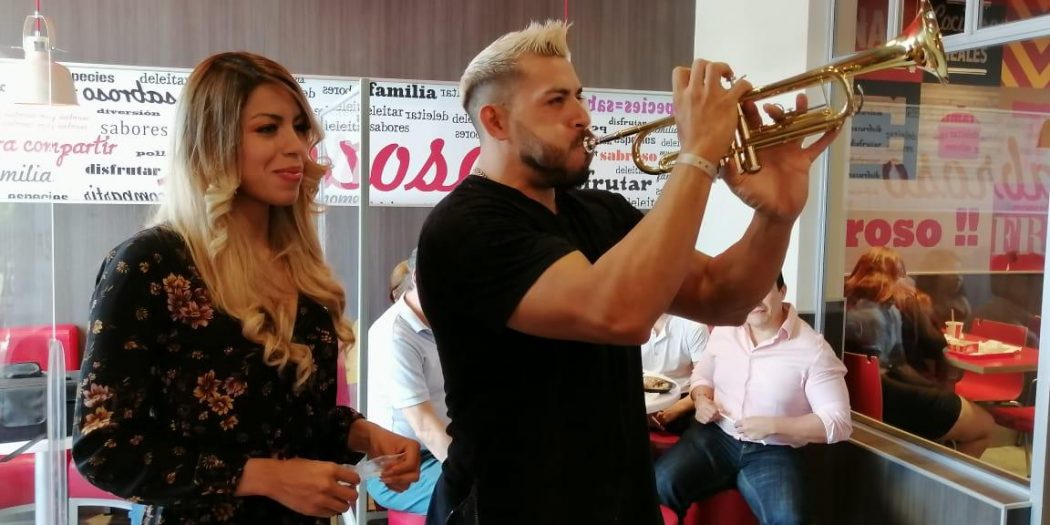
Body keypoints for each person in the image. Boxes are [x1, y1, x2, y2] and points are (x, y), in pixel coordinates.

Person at [416, 20, 839, 524]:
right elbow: (619, 314)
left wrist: (777, 216)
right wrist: (697, 156)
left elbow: (722, 298)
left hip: (620, 503)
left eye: (578, 95)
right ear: (496, 121)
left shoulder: (601, 212)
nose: (581, 115)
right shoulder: (464, 228)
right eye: (556, 101)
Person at [72, 51, 420, 524]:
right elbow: (103, 447)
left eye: (300, 127)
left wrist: (362, 434)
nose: (296, 146)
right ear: (211, 142)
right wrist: (264, 477)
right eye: (267, 128)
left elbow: (289, 420)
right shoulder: (150, 264)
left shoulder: (298, 266)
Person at [654, 273, 852, 524]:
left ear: (782, 291)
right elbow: (702, 375)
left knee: (790, 519)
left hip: (775, 449)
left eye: (763, 289)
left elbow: (839, 421)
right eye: (746, 292)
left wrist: (774, 425)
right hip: (716, 435)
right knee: (660, 484)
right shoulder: (725, 329)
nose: (754, 300)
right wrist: (701, 398)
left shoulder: (813, 349)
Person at [844, 246, 995, 457]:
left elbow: (898, 365)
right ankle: (943, 478)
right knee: (985, 425)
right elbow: (898, 366)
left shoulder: (855, 310)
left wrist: (935, 391)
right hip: (890, 402)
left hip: (865, 404)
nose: (909, 280)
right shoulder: (880, 316)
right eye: (902, 274)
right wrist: (936, 391)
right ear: (890, 278)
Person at [367, 249, 449, 514]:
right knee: (485, 491)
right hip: (400, 466)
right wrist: (467, 469)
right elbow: (424, 425)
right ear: (416, 278)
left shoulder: (447, 324)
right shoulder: (393, 333)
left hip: (445, 447)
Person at [642, 314, 709, 434]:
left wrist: (674, 410)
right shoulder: (628, 322)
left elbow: (707, 384)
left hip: (681, 398)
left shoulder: (694, 325)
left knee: (703, 430)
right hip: (640, 398)